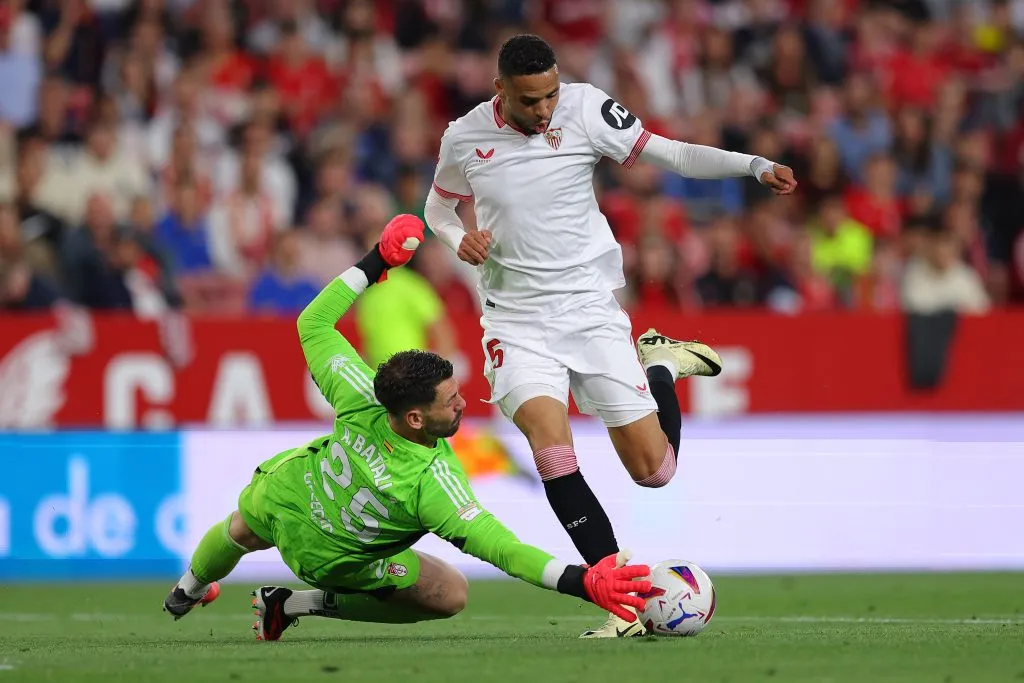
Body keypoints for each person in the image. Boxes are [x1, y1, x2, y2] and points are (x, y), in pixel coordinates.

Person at [424, 34, 797, 637]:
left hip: (589, 309)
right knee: (551, 445)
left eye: (549, 94)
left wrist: (752, 165)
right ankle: (617, 600)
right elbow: (438, 208)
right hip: (515, 319)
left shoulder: (586, 109)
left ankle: (659, 366)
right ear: (500, 90)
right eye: (529, 100)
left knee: (655, 473)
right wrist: (455, 237)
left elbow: (671, 155)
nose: (544, 110)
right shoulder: (464, 136)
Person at [162, 214, 651, 640]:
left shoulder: (361, 395)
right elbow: (504, 549)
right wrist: (581, 581)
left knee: (239, 528)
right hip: (328, 562)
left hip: (285, 496)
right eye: (450, 401)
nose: (463, 402)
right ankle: (295, 603)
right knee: (450, 593)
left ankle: (185, 592)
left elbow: (313, 324)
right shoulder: (431, 483)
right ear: (415, 418)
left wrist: (376, 260)